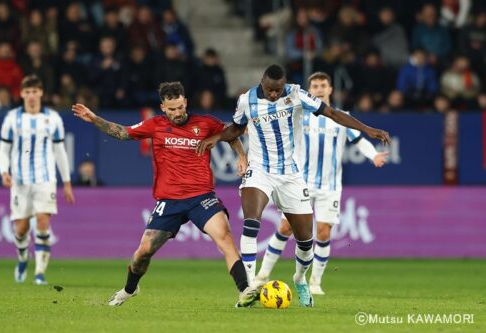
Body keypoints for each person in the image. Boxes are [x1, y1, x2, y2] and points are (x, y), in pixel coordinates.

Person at [196, 64, 390, 307]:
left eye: (278, 90)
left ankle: (300, 279)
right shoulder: (247, 100)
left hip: (291, 175)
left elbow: (332, 113)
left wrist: (367, 129)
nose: (274, 94)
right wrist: (216, 137)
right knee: (251, 222)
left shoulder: (297, 94)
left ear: (284, 85)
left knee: (306, 242)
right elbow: (235, 128)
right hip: (260, 170)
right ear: (262, 83)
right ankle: (247, 288)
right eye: (270, 90)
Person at [72, 82, 258, 307]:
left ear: (185, 102)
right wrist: (94, 119)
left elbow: (231, 135)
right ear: (163, 107)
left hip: (202, 197)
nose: (177, 113)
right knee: (143, 252)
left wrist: (241, 156)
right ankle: (130, 289)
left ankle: (245, 291)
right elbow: (122, 133)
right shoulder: (155, 125)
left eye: (180, 107)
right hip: (169, 201)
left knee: (225, 236)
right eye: (172, 109)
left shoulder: (206, 123)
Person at [255, 72, 388, 295]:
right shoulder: (299, 114)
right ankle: (262, 274)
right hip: (300, 183)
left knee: (324, 232)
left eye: (322, 85)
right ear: (309, 90)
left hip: (329, 186)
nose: (318, 89)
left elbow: (359, 140)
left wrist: (373, 155)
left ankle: (315, 282)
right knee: (286, 227)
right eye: (314, 85)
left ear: (330, 89)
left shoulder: (342, 117)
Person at [0, 75, 75, 285]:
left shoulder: (53, 118)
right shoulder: (12, 118)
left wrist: (66, 183)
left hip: (45, 178)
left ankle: (40, 273)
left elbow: (60, 152)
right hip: (20, 181)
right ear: (21, 94)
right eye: (27, 92)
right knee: (21, 228)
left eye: (35, 92)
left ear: (41, 93)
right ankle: (23, 257)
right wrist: (4, 171)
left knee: (42, 222)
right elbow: (4, 151)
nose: (31, 96)